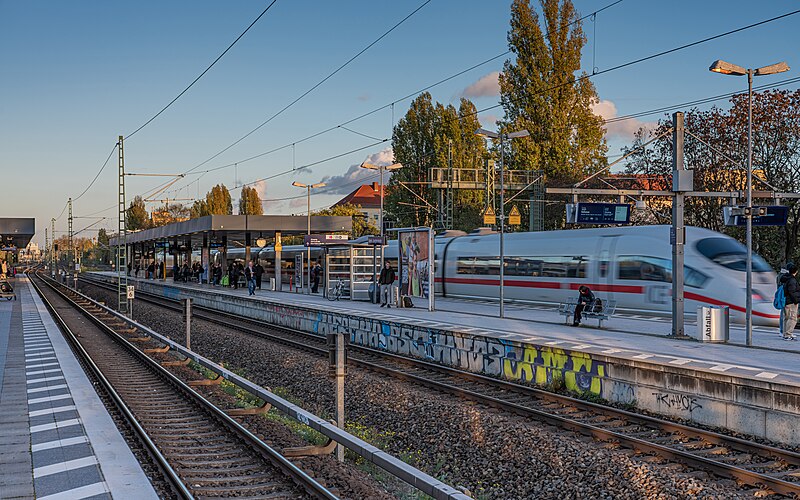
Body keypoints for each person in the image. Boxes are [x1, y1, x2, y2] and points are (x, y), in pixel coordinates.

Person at [779, 263, 800, 341]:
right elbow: (792, 292)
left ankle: (785, 333)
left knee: (786, 318)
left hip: (786, 301)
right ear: (795, 271)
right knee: (792, 318)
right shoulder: (792, 280)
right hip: (791, 302)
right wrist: (797, 300)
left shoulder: (786, 278)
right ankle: (788, 334)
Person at [777, 263, 792, 337]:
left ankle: (783, 330)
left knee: (784, 314)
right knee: (784, 314)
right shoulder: (785, 276)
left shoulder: (780, 275)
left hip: (782, 296)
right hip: (784, 296)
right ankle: (782, 331)